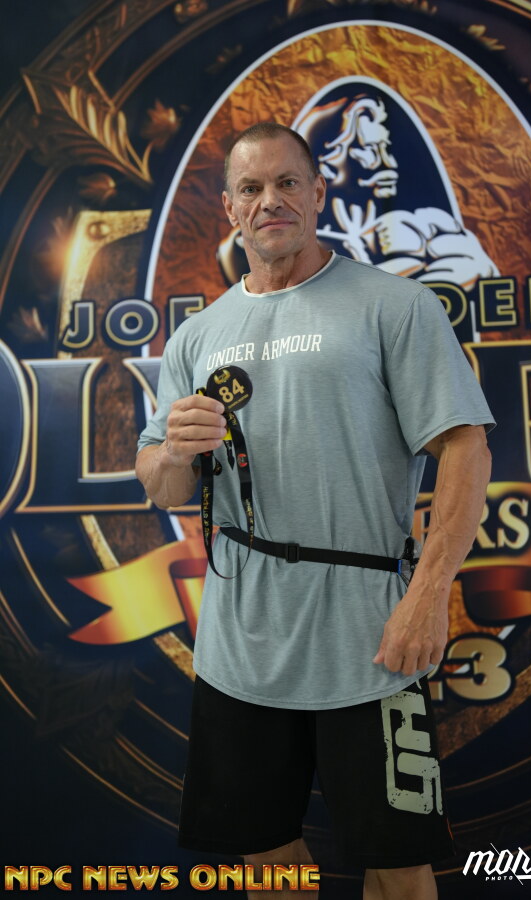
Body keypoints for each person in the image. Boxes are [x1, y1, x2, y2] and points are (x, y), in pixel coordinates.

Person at [136, 122, 494, 900]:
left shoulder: (393, 305)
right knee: (265, 863)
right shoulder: (198, 336)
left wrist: (428, 594)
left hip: (371, 638)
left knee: (399, 867)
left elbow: (466, 447)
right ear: (230, 208)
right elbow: (162, 485)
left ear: (318, 193)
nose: (270, 200)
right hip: (240, 646)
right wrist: (173, 453)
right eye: (251, 188)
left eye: (287, 183)